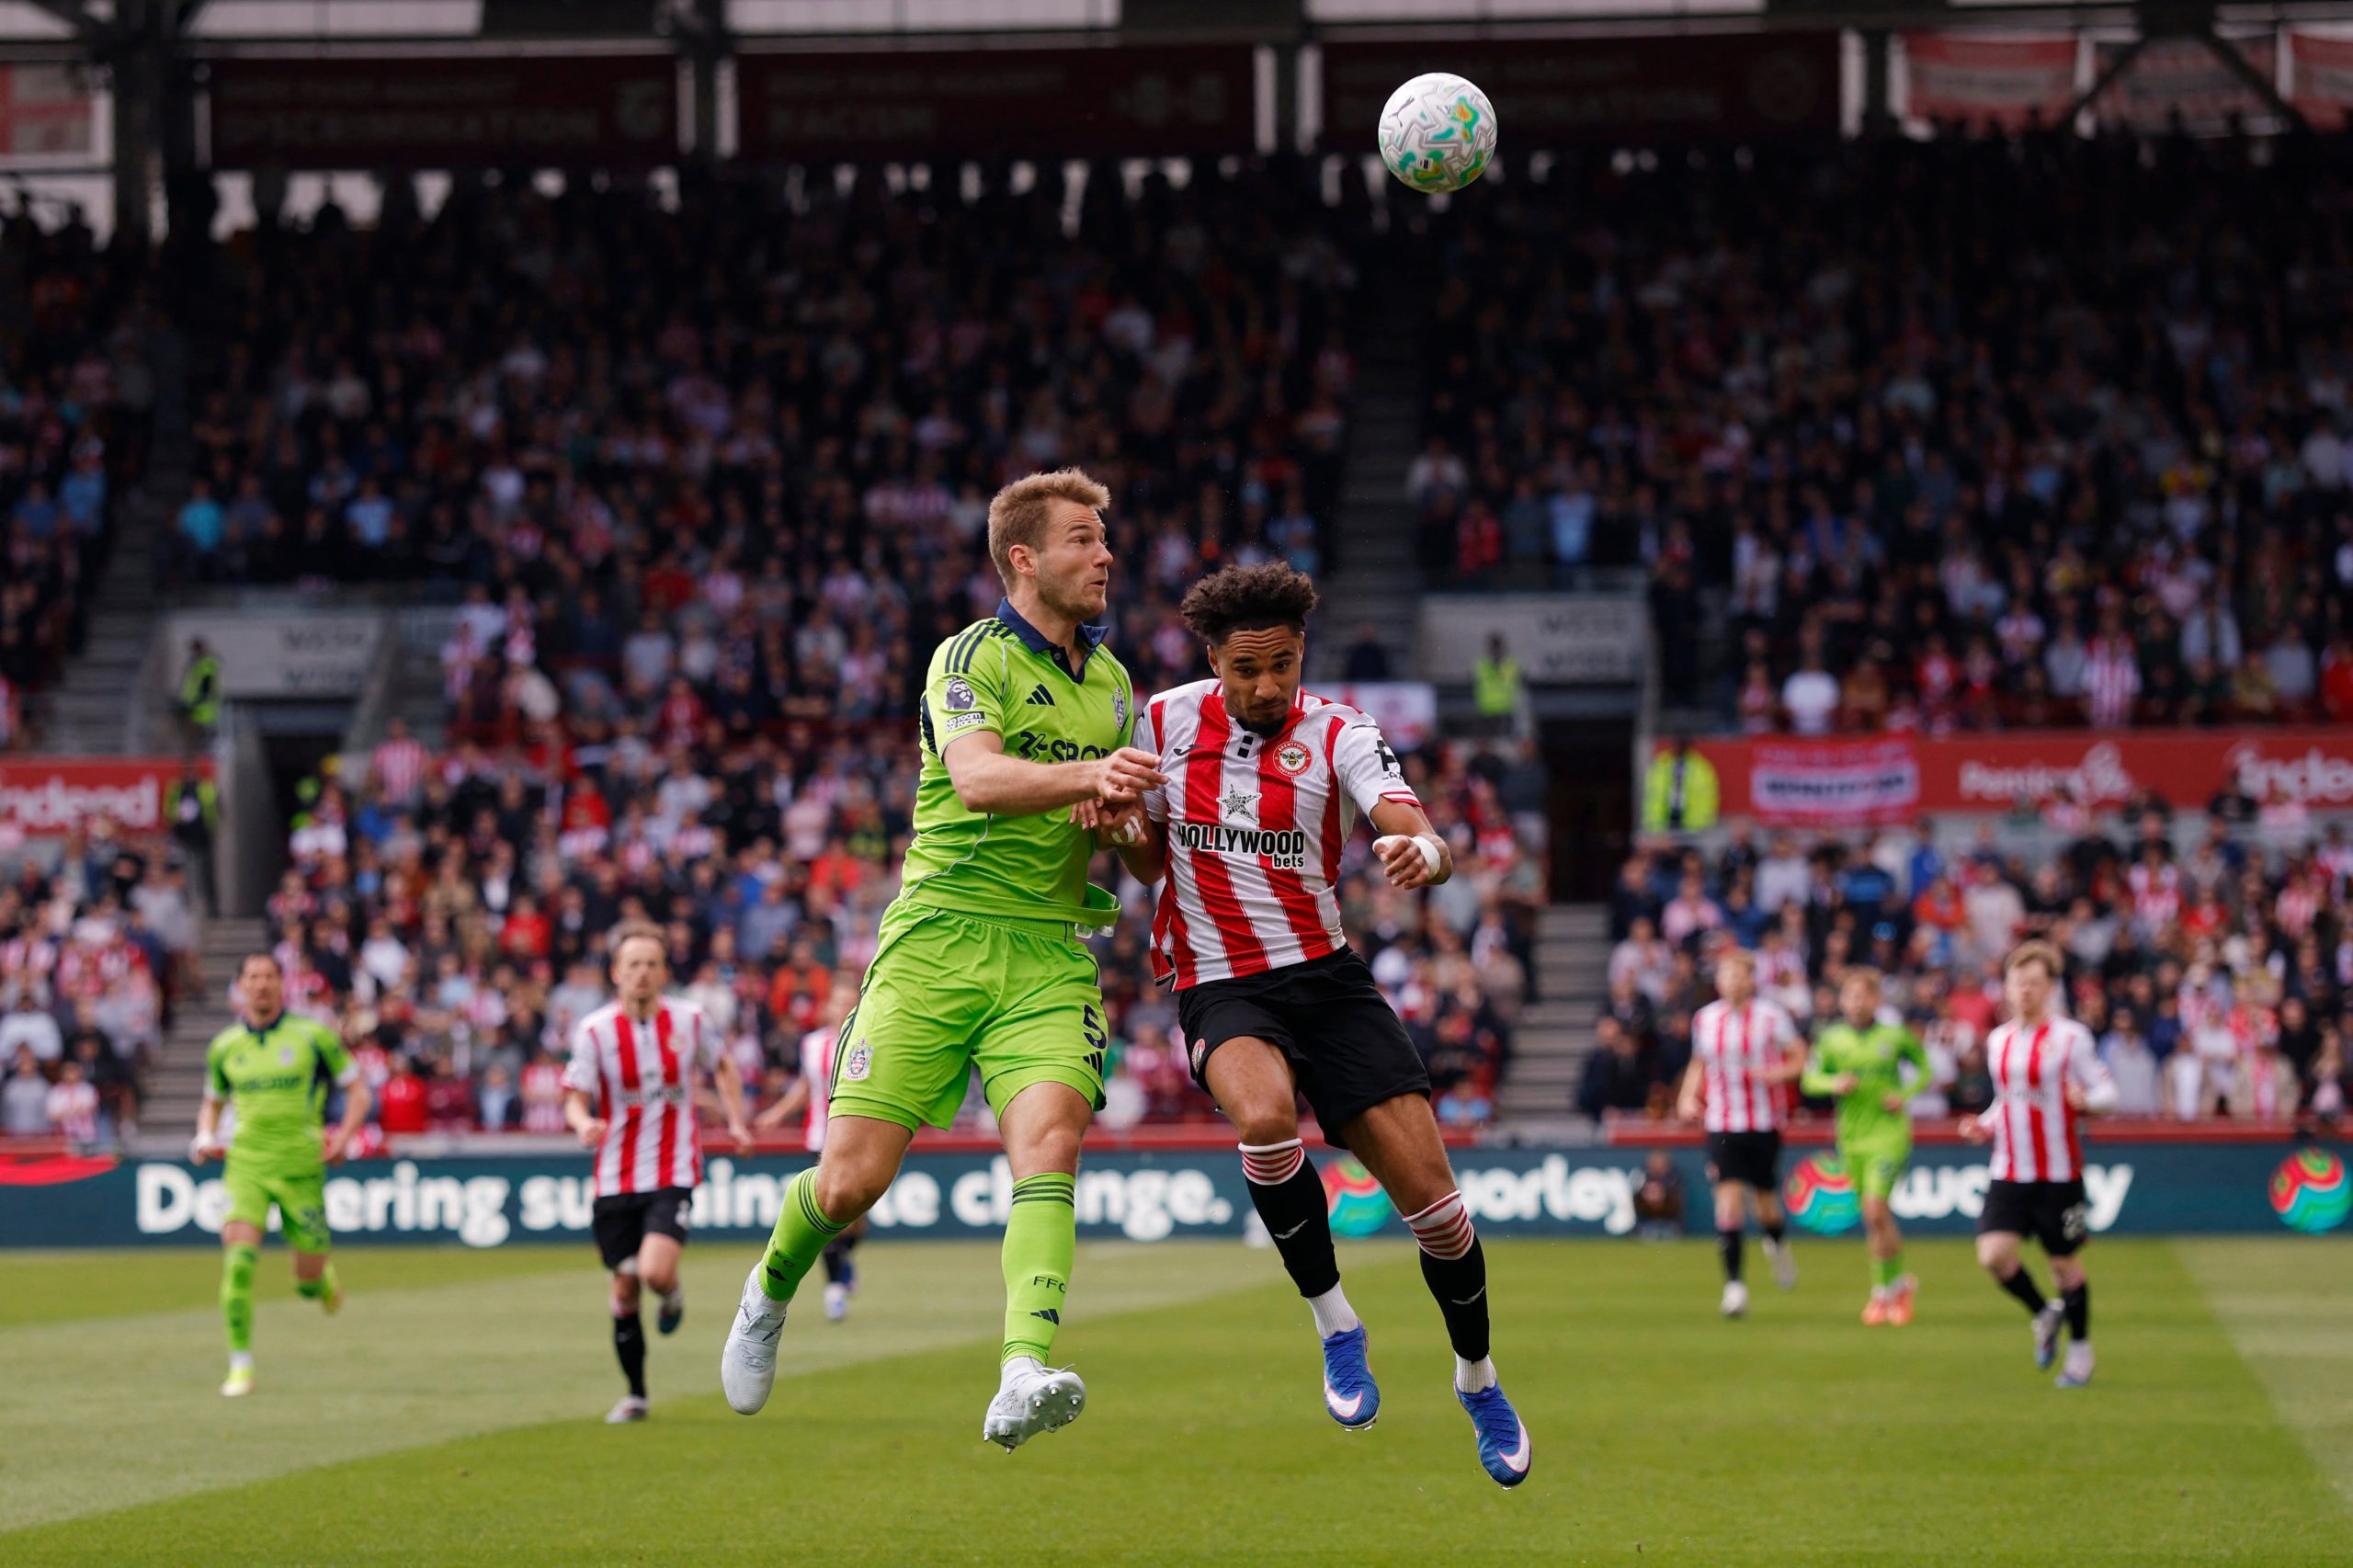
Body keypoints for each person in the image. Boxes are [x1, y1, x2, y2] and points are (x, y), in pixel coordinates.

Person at [722, 469, 1164, 1451]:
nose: (1106, 556)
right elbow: (974, 776)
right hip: (937, 941)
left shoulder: (1113, 681)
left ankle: (1021, 1366)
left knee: (1049, 1142)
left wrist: (1126, 816)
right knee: (847, 1186)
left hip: (1049, 949)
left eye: (1105, 539)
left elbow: (1140, 858)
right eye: (1084, 540)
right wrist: (1086, 774)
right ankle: (769, 1286)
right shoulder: (968, 657)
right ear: (1024, 558)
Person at [1097, 560, 1531, 1487]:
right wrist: (1122, 825)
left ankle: (1476, 1376)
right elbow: (1141, 864)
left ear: (1302, 657)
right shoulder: (1163, 720)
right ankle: (1337, 1323)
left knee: (1440, 1216)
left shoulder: (1339, 728)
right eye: (1246, 666)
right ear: (1213, 657)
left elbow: (1408, 818)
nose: (1265, 685)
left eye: (1282, 664)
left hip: (1328, 982)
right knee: (1261, 1118)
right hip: (1219, 980)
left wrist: (1422, 849)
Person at [563, 921, 753, 1425]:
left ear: (665, 972)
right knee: (623, 1291)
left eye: (652, 964)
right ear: (616, 973)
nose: (643, 973)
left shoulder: (690, 1020)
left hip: (673, 1169)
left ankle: (671, 1295)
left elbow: (725, 1066)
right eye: (633, 965)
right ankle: (636, 1395)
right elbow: (575, 1096)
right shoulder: (595, 1032)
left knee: (653, 1272)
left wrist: (735, 1120)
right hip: (614, 1177)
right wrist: (584, 1123)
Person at [189, 952, 371, 1398]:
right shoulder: (225, 1046)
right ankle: (240, 1365)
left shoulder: (313, 1036)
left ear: (281, 984)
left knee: (307, 1280)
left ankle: (320, 1282)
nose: (261, 985)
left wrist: (344, 1136)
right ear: (242, 987)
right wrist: (204, 1136)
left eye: (269, 976)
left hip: (301, 1166)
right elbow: (212, 1101)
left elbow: (358, 1089)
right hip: (246, 1164)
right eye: (253, 977)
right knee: (238, 1262)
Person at [1959, 940, 2117, 1389]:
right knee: (1993, 1255)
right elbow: (2004, 1102)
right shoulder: (1999, 1040)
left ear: (2049, 988)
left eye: (2034, 983)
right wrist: (1984, 1127)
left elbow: (2108, 1092)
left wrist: (2088, 1102)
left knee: (2064, 1267)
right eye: (2017, 982)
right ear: (2006, 987)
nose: (2024, 990)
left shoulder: (2071, 1038)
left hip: (2058, 1173)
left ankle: (2081, 1351)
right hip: (2008, 1169)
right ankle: (2045, 1313)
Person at [1677, 949, 1804, 1317]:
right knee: (1729, 1202)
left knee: (1765, 1205)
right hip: (1721, 1123)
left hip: (1764, 1122)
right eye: (1726, 975)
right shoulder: (1705, 1019)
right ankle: (1735, 1288)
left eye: (1739, 975)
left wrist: (1776, 1074)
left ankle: (1777, 1247)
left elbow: (1799, 1058)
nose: (1732, 981)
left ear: (1751, 980)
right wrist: (1687, 1097)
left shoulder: (1771, 1017)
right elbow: (1699, 1062)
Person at [1801, 969, 1932, 1325]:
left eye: (1864, 996)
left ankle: (1894, 1287)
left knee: (1875, 1210)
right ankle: (1887, 1290)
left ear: (1876, 1000)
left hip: (1888, 1134)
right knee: (1872, 1219)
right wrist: (1834, 1082)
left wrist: (1903, 1095)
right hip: (1852, 1137)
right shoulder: (1831, 1039)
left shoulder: (1895, 1035)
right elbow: (1809, 1079)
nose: (1858, 1003)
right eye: (1851, 996)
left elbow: (1924, 1069)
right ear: (1842, 1001)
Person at [754, 977, 869, 1322]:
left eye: (852, 1001)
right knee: (828, 1215)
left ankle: (844, 1258)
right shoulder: (813, 1045)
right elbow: (805, 1087)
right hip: (821, 1140)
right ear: (828, 1007)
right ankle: (834, 1289)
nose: (845, 1008)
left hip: (861, 1141)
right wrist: (775, 1114)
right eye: (839, 1001)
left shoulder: (869, 1042)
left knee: (857, 1221)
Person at [1642, 735, 1720, 833]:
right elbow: (1653, 795)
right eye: (1677, 744)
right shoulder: (1662, 764)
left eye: (1682, 744)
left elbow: (1708, 797)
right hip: (1665, 817)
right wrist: (1653, 824)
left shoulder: (1700, 767)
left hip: (1692, 821)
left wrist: (1702, 823)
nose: (1679, 747)